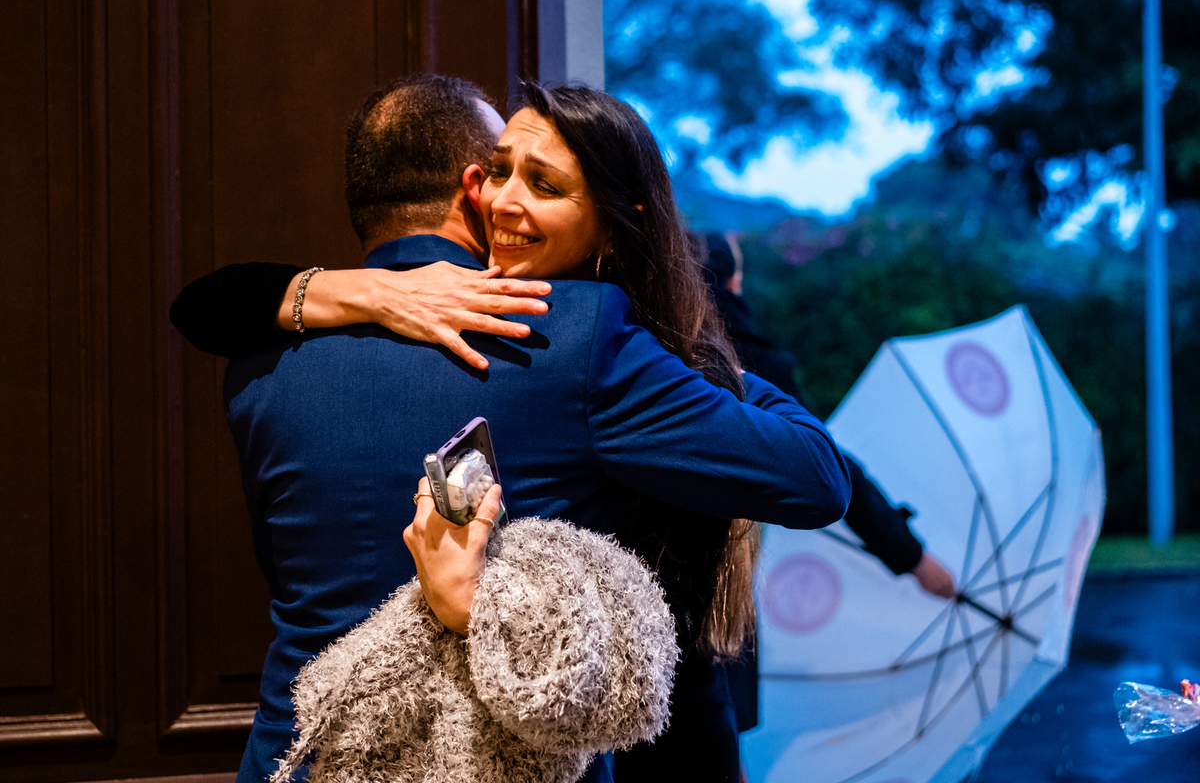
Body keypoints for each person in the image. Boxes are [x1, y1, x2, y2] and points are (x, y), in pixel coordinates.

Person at [177, 74, 851, 783]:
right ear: (471, 184)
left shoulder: (258, 352)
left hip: (300, 758)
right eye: (499, 171)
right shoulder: (578, 335)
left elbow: (281, 565)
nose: (504, 198)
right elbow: (817, 477)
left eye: (542, 182)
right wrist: (698, 355)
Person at [694, 230, 956, 742]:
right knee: (715, 735)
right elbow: (830, 468)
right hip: (716, 583)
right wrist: (912, 557)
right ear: (731, 283)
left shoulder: (641, 340)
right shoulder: (747, 362)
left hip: (644, 578)